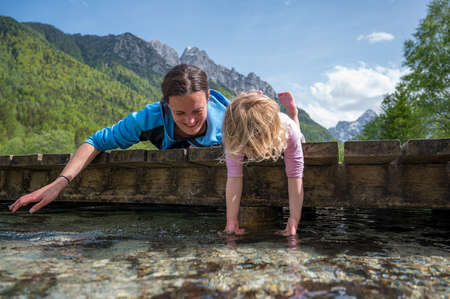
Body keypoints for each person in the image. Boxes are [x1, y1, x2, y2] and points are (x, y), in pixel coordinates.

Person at [9, 64, 230, 214]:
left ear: (208, 98)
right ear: (166, 105)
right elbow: (95, 142)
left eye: (197, 111)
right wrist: (58, 184)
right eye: (180, 113)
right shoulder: (149, 118)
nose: (191, 121)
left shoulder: (232, 119)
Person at [222, 91, 305, 236]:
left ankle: (293, 113)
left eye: (253, 147)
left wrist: (294, 219)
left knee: (300, 136)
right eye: (248, 148)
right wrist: (231, 219)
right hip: (259, 130)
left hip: (287, 128)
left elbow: (295, 175)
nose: (252, 152)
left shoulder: (287, 131)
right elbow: (234, 177)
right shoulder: (234, 134)